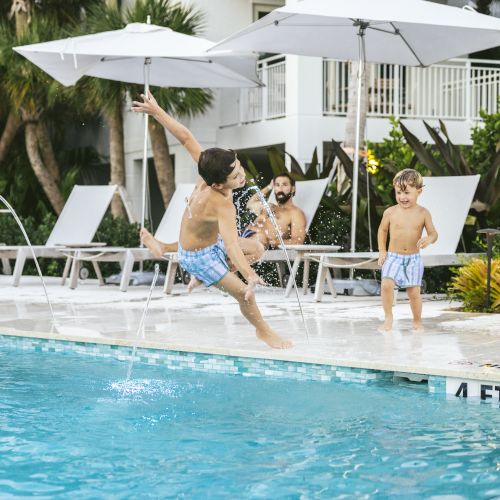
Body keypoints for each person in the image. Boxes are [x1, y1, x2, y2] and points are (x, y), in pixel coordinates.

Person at [132, 91, 292, 349]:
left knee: (257, 248)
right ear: (218, 184)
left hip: (202, 244)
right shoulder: (221, 203)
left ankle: (176, 257)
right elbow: (230, 246)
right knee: (244, 295)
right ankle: (264, 331)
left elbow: (185, 137)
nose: (242, 177)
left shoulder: (208, 167)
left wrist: (157, 111)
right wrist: (249, 276)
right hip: (199, 257)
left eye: (239, 168)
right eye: (236, 177)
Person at [377, 169, 438, 332]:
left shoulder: (423, 213)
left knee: (414, 292)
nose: (402, 197)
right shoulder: (390, 212)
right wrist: (382, 251)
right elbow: (382, 231)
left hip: (413, 259)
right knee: (386, 285)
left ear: (419, 192)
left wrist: (428, 239)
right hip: (393, 257)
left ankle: (417, 321)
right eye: (398, 192)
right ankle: (388, 317)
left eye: (406, 192)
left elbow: (433, 234)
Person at [243, 173, 307, 249]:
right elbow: (250, 204)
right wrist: (269, 187)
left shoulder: (295, 213)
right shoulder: (269, 206)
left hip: (259, 242)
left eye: (284, 185)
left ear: (292, 189)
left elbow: (298, 241)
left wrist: (276, 242)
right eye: (277, 185)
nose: (280, 188)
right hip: (245, 234)